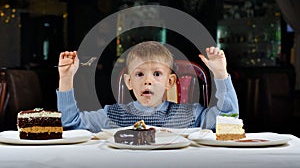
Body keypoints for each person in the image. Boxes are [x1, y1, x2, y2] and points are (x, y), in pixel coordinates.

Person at [56, 41, 238, 133]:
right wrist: (66, 78)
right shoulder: (112, 115)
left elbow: (228, 120)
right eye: (139, 74)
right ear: (128, 82)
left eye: (157, 74)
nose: (147, 81)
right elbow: (71, 124)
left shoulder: (191, 115)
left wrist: (221, 74)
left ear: (170, 82)